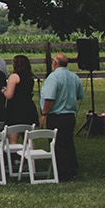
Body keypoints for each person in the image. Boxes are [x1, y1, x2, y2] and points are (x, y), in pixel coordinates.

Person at [41, 52, 84, 180]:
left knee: (57, 144)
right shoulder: (74, 77)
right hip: (70, 115)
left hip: (56, 115)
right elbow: (79, 95)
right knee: (68, 142)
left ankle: (63, 172)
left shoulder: (53, 77)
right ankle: (72, 168)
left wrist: (44, 114)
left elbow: (50, 98)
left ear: (54, 63)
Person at [4, 54, 38, 129]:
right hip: (28, 107)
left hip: (16, 109)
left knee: (13, 138)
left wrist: (4, 91)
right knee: (27, 136)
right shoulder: (30, 76)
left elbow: (9, 95)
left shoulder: (14, 77)